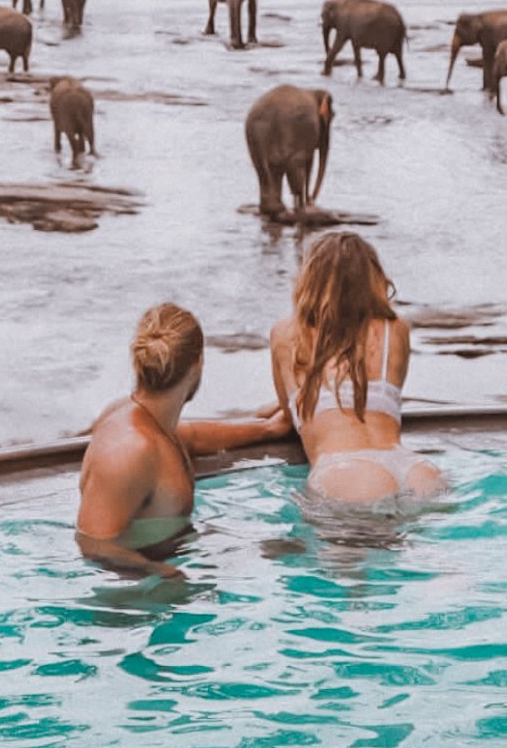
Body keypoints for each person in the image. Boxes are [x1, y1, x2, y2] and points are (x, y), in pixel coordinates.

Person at [77, 302, 291, 577]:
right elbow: (94, 543)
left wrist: (268, 429)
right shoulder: (130, 450)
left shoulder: (150, 423)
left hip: (168, 560)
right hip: (137, 598)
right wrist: (167, 577)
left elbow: (192, 435)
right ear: (198, 364)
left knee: (282, 549)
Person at [270, 231, 445, 504]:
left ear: (309, 279)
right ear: (373, 279)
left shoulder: (286, 333)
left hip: (347, 472)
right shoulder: (395, 331)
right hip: (415, 469)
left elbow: (291, 413)